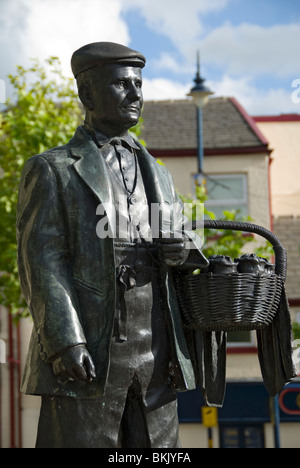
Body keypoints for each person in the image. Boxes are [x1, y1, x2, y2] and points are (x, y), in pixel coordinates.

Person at [17, 42, 208, 448]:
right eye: (122, 84)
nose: (136, 94)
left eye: (138, 84)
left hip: (157, 353)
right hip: (92, 349)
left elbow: (186, 247)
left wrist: (182, 250)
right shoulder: (52, 169)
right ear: (87, 95)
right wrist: (66, 340)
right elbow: (43, 260)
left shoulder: (159, 172)